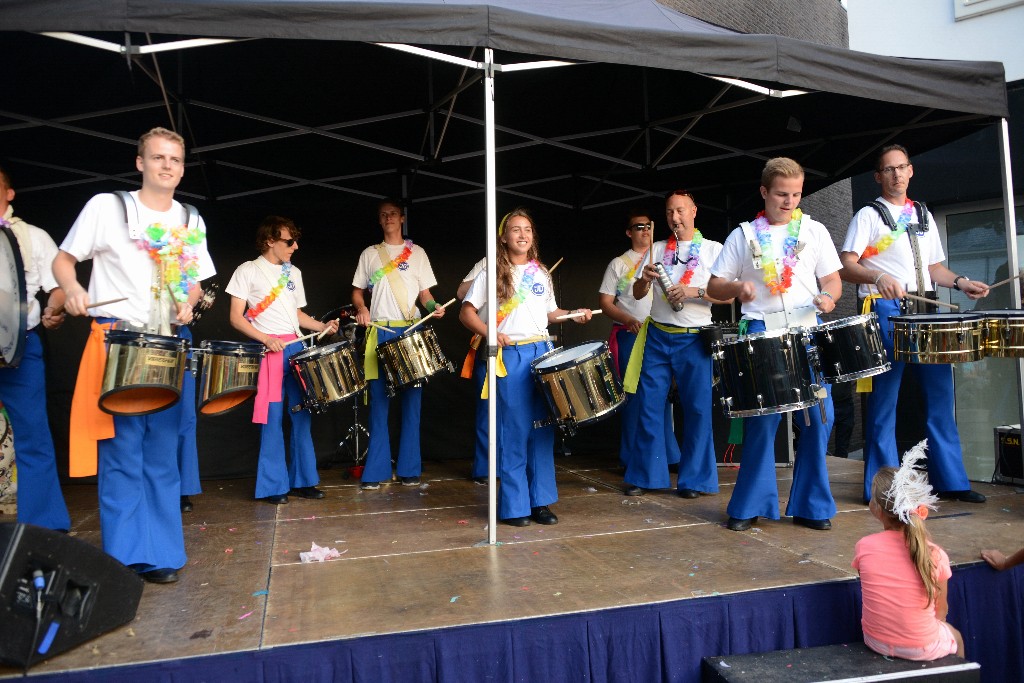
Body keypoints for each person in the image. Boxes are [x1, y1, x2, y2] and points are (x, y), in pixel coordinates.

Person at [53, 127, 215, 583]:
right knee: (122, 451)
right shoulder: (108, 206)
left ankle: (162, 555)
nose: (167, 166)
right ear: (140, 162)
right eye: (158, 157)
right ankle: (125, 559)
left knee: (163, 451)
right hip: (119, 342)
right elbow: (64, 259)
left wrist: (189, 299)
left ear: (182, 169)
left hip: (169, 344)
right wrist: (72, 289)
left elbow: (197, 281)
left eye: (176, 160)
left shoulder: (191, 218)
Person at [839, 144, 990, 504]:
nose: (895, 174)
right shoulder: (867, 216)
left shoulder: (923, 214)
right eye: (888, 169)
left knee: (940, 396)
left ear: (910, 171)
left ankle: (952, 481)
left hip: (926, 309)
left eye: (901, 167)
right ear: (878, 176)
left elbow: (936, 268)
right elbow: (846, 266)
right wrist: (876, 277)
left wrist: (961, 281)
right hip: (886, 309)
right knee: (884, 400)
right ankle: (884, 489)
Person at [707, 157, 841, 532]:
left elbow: (832, 280)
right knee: (762, 421)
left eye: (796, 194)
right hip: (761, 329)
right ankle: (750, 505)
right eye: (782, 194)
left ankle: (813, 507)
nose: (789, 202)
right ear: (764, 191)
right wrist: (736, 287)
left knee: (816, 420)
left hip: (806, 329)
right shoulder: (743, 235)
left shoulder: (814, 231)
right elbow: (713, 286)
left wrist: (828, 299)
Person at [459, 208, 591, 526]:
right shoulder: (491, 273)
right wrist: (491, 331)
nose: (522, 235)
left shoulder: (540, 273)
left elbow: (550, 313)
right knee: (515, 431)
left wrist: (575, 313)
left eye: (528, 230)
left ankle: (540, 502)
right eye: (516, 229)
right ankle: (514, 506)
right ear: (504, 237)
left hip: (542, 353)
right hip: (511, 357)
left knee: (542, 430)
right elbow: (466, 312)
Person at [619, 196, 729, 497]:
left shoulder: (713, 249)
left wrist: (694, 290)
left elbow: (729, 295)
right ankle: (646, 476)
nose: (674, 216)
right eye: (669, 211)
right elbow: (639, 294)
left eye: (680, 210)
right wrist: (644, 279)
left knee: (697, 409)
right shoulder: (655, 249)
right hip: (658, 334)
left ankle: (694, 481)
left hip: (695, 337)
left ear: (694, 212)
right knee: (649, 405)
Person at [227, 216, 337, 504]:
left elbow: (298, 315)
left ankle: (303, 481)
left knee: (302, 415)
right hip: (270, 351)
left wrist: (322, 326)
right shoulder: (247, 271)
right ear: (269, 241)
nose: (295, 246)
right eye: (289, 241)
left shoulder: (294, 273)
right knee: (272, 419)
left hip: (295, 348)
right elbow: (235, 318)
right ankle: (273, 487)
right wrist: (264, 339)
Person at [352, 199, 446, 490]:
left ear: (402, 218)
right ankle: (376, 472)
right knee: (379, 403)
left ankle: (409, 469)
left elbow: (425, 294)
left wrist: (434, 306)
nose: (388, 218)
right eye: (383, 215)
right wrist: (361, 309)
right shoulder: (370, 254)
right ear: (379, 221)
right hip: (380, 331)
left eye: (393, 214)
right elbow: (357, 293)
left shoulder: (417, 253)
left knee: (412, 404)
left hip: (411, 331)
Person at [0, 164, 71, 532]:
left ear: (10, 193)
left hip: (19, 349)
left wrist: (53, 309)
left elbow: (58, 286)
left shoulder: (33, 236)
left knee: (33, 437)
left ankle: (43, 532)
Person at [853, 443, 965, 661]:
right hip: (922, 647)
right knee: (957, 637)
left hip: (875, 640)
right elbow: (941, 610)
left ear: (876, 509)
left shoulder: (864, 547)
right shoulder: (935, 554)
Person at [458, 257, 489, 485]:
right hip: (490, 344)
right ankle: (485, 468)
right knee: (487, 409)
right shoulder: (486, 264)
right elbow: (460, 293)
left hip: (522, 345)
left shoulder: (533, 268)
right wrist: (486, 277)